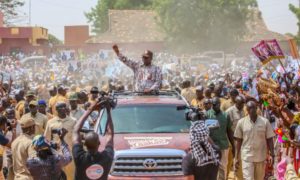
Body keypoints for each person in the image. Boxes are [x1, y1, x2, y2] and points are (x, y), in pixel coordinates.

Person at [72, 99, 114, 180]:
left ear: (84, 144)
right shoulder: (106, 157)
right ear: (99, 143)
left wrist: (90, 109)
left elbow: (75, 130)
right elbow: (110, 134)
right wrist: (108, 110)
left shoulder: (79, 157)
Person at [234, 101, 275, 180]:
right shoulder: (241, 122)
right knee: (248, 178)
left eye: (253, 108)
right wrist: (236, 157)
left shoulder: (265, 122)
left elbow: (270, 139)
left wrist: (272, 154)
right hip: (247, 157)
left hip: (260, 157)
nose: (251, 110)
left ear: (256, 108)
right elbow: (238, 141)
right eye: (249, 108)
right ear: (247, 110)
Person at [44, 102, 76, 180]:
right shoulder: (50, 122)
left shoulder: (73, 121)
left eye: (64, 107)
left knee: (70, 175)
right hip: (56, 154)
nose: (62, 109)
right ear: (56, 110)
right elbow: (46, 139)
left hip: (70, 153)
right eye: (60, 107)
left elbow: (77, 137)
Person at [206, 97, 235, 180]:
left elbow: (229, 131)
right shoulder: (207, 115)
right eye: (214, 105)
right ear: (211, 105)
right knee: (211, 167)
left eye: (217, 104)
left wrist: (233, 145)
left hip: (223, 146)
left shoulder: (225, 115)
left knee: (223, 167)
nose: (216, 106)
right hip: (210, 146)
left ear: (220, 104)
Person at [225, 96, 245, 180]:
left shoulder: (242, 111)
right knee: (228, 162)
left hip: (240, 140)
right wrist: (232, 143)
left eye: (243, 104)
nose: (242, 106)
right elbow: (227, 128)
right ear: (236, 103)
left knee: (238, 160)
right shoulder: (229, 112)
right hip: (231, 139)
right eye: (241, 104)